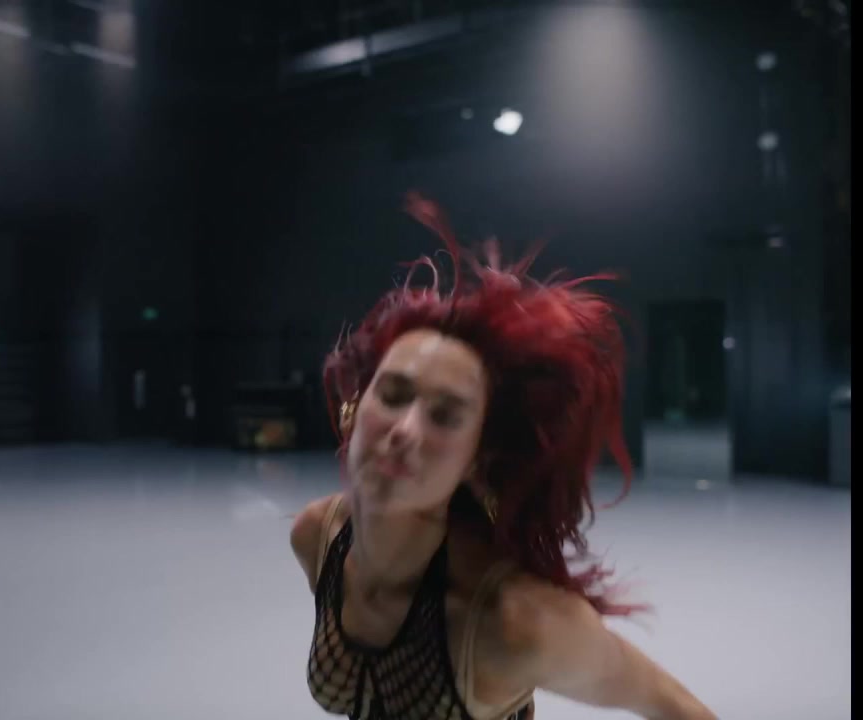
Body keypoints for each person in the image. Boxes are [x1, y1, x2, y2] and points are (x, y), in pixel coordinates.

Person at [289, 194, 717, 720]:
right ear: (354, 408)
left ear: (476, 458)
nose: (405, 431)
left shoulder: (514, 622)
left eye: (445, 416)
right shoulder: (317, 536)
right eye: (394, 395)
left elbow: (675, 705)